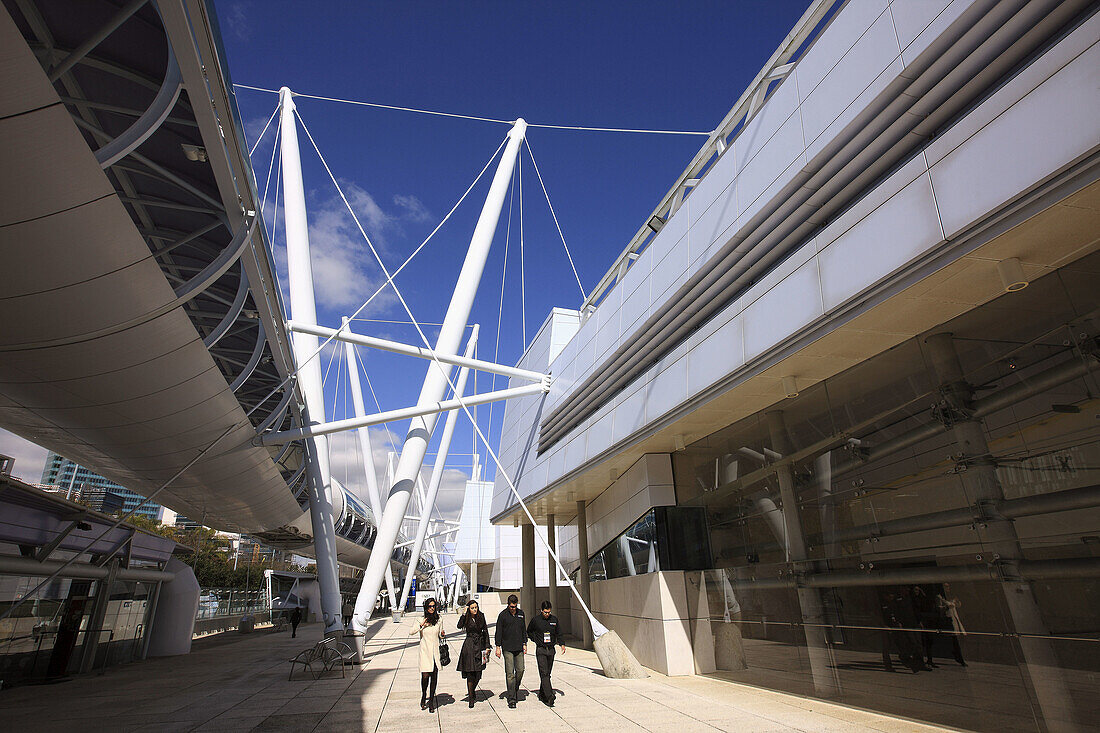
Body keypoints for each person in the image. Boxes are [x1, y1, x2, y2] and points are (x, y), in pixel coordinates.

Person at [526, 600, 565, 706]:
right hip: (541, 649)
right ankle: (549, 696)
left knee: (547, 673)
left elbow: (559, 632)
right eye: (545, 612)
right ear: (541, 611)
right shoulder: (536, 620)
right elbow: (529, 631)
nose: (547, 614)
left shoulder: (554, 620)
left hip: (551, 650)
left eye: (549, 612)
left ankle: (542, 694)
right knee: (544, 673)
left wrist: (562, 644)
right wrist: (535, 639)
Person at [410, 597, 446, 712]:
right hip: (425, 652)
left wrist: (442, 634)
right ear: (426, 607)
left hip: (435, 653)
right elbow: (411, 632)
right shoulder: (420, 619)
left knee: (434, 677)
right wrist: (422, 625)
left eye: (433, 606)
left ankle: (431, 702)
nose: (432, 608)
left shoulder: (439, 619)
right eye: (430, 606)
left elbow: (440, 634)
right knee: (425, 677)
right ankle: (423, 695)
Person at [494, 593, 526, 708]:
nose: (513, 609)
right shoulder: (503, 615)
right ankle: (512, 698)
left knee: (521, 670)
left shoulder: (521, 614)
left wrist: (525, 643)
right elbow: (499, 631)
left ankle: (514, 688)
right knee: (509, 673)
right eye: (512, 607)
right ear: (508, 605)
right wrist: (498, 646)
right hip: (507, 647)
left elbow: (523, 629)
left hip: (519, 647)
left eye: (515, 606)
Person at [456, 599, 490, 707]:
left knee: (479, 672)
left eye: (476, 607)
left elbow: (485, 631)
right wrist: (464, 613)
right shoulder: (466, 617)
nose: (474, 610)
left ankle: (473, 690)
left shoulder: (481, 616)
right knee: (470, 672)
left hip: (479, 644)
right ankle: (471, 697)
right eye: (472, 608)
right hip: (469, 644)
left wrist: (488, 646)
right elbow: (459, 625)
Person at [936, 582, 967, 666]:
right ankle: (959, 658)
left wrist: (957, 601)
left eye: (948, 586)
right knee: (955, 640)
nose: (947, 588)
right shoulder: (940, 597)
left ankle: (958, 656)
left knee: (960, 638)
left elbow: (958, 605)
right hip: (948, 620)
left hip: (955, 619)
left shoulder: (951, 596)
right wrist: (946, 607)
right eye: (946, 586)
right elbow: (939, 608)